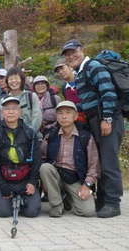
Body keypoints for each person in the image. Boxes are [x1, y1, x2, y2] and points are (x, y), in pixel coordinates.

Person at [62, 39, 124, 218]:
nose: (71, 56)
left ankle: (113, 203)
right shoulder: (80, 73)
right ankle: (103, 200)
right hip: (94, 120)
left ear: (82, 50)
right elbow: (86, 103)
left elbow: (108, 92)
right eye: (67, 54)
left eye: (73, 51)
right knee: (100, 161)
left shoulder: (93, 66)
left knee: (109, 162)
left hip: (106, 120)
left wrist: (107, 118)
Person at [40, 101, 98, 217]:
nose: (64, 116)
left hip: (75, 179)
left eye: (68, 113)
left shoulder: (85, 137)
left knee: (88, 211)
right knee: (45, 167)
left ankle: (67, 198)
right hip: (56, 176)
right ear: (56, 117)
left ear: (75, 116)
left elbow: (94, 165)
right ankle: (57, 205)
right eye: (60, 113)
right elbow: (42, 158)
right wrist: (44, 183)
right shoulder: (51, 135)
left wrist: (87, 185)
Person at [0, 97, 41, 218]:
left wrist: (32, 182)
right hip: (5, 180)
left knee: (31, 212)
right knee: (4, 213)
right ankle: (10, 199)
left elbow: (37, 160)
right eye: (7, 109)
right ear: (2, 113)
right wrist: (2, 185)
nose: (11, 112)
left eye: (14, 109)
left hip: (25, 180)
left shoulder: (30, 133)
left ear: (20, 112)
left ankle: (21, 199)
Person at [6, 67, 42, 133]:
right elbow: (4, 121)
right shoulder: (4, 100)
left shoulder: (31, 96)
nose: (14, 81)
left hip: (31, 137)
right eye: (11, 79)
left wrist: (28, 134)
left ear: (22, 80)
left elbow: (37, 118)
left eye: (16, 78)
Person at [54, 58, 87, 124]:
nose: (60, 72)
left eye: (62, 68)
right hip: (77, 122)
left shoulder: (83, 80)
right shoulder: (64, 88)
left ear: (70, 67)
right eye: (58, 71)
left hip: (93, 118)